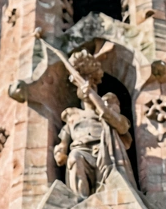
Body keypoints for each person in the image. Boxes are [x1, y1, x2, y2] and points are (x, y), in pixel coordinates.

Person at [54, 50, 136, 198]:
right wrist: (60, 152)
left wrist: (95, 97)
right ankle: (80, 202)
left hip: (105, 150)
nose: (86, 87)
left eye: (91, 83)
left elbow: (121, 126)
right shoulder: (72, 116)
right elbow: (63, 142)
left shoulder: (107, 106)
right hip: (81, 150)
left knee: (108, 186)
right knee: (74, 158)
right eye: (82, 84)